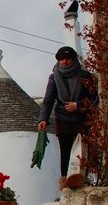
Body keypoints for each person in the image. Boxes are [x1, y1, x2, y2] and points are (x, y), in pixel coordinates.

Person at [38, 46, 97, 190]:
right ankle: (65, 184)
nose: (64, 62)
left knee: (83, 150)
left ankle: (84, 180)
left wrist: (77, 105)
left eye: (68, 58)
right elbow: (49, 99)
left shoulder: (85, 76)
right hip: (62, 118)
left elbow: (94, 99)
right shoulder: (54, 77)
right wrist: (43, 118)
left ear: (73, 59)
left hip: (82, 118)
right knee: (65, 151)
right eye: (61, 59)